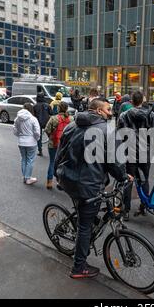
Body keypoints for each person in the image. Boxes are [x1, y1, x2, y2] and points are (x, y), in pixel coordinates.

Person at [54, 98, 133, 279]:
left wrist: (56, 174)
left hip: (68, 179)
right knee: (85, 227)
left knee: (86, 213)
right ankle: (79, 267)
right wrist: (123, 177)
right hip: (88, 184)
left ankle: (82, 226)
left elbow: (60, 153)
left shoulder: (71, 126)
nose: (111, 112)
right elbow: (114, 161)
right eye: (108, 109)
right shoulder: (107, 131)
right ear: (98, 111)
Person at [118, 91, 154, 220]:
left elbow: (120, 134)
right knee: (144, 179)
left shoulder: (124, 115)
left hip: (129, 151)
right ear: (142, 100)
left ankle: (125, 211)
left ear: (131, 101)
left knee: (128, 180)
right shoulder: (151, 115)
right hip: (145, 151)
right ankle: (143, 206)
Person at [44, 102, 73, 190]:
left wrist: (51, 137)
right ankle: (60, 182)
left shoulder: (53, 118)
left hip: (53, 143)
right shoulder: (71, 119)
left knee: (52, 162)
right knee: (63, 164)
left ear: (58, 109)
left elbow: (47, 130)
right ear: (67, 109)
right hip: (66, 145)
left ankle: (49, 182)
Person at [13, 103, 41, 185]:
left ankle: (25, 177)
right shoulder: (33, 119)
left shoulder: (17, 119)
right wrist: (36, 138)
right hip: (31, 141)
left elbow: (15, 130)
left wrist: (20, 136)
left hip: (21, 141)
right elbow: (37, 132)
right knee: (30, 160)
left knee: (23, 159)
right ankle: (28, 178)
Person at [33, 92, 52, 157]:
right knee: (51, 136)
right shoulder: (47, 105)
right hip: (47, 122)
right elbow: (51, 113)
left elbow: (34, 115)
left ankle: (40, 150)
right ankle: (54, 149)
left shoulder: (35, 106)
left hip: (38, 123)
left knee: (39, 137)